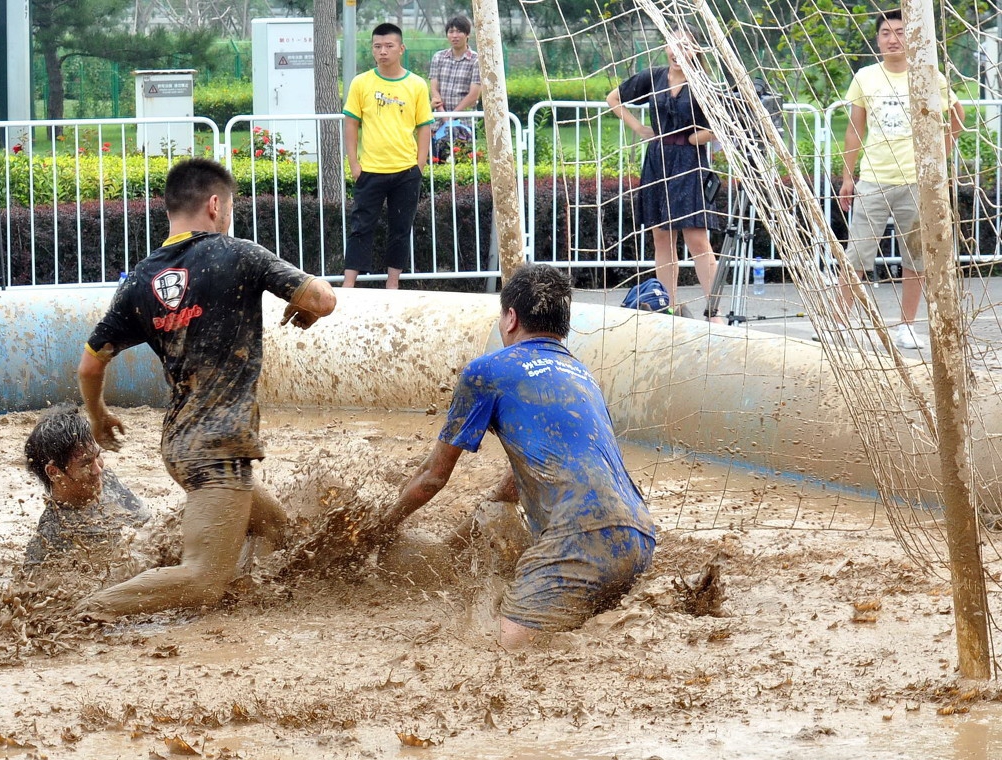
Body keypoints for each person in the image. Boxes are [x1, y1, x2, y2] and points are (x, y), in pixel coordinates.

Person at [75, 158, 337, 619]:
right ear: (215, 205)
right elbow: (323, 298)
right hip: (218, 449)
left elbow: (90, 364)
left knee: (284, 535)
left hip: (179, 445)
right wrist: (308, 308)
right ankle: (83, 610)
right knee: (204, 579)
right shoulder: (238, 253)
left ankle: (255, 604)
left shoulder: (140, 279)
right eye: (230, 206)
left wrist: (98, 419)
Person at [379, 263, 655, 649]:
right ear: (563, 325)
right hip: (640, 538)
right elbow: (533, 476)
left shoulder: (487, 370)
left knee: (493, 650)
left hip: (579, 541)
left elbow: (431, 477)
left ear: (510, 318)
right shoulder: (583, 374)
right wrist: (475, 523)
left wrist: (375, 529)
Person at [838, 9, 964, 350]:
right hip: (874, 179)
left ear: (912, 37)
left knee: (917, 258)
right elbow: (854, 130)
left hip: (917, 182)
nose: (893, 39)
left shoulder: (928, 75)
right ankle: (840, 323)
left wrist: (938, 160)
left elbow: (957, 116)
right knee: (857, 255)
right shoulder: (866, 76)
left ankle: (907, 326)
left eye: (900, 31)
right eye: (885, 33)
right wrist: (848, 177)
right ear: (877, 40)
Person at [606, 28, 721, 317]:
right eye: (672, 44)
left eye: (684, 46)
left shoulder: (703, 84)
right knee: (662, 236)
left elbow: (724, 122)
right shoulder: (653, 76)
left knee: (697, 239)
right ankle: (667, 308)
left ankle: (715, 310)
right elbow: (613, 99)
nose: (677, 51)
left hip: (689, 162)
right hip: (657, 159)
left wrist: (699, 137)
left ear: (696, 50)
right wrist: (640, 128)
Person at [342, 22, 435, 290]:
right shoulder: (361, 83)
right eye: (377, 46)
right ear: (372, 50)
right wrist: (353, 163)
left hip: (406, 171)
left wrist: (419, 164)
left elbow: (424, 127)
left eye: (389, 46)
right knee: (361, 227)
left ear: (401, 48)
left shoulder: (416, 84)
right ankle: (349, 284)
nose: (383, 51)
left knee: (400, 229)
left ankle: (392, 284)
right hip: (370, 169)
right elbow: (351, 123)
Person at [21, 404, 150, 573]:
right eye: (86, 463)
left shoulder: (107, 479)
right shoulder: (50, 539)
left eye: (98, 456)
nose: (98, 470)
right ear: (54, 473)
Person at [429, 15, 481, 120]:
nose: (454, 36)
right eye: (451, 32)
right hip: (439, 121)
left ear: (467, 34)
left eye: (459, 31)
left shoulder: (476, 60)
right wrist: (443, 115)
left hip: (465, 122)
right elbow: (434, 89)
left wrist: (451, 117)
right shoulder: (438, 57)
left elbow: (473, 95)